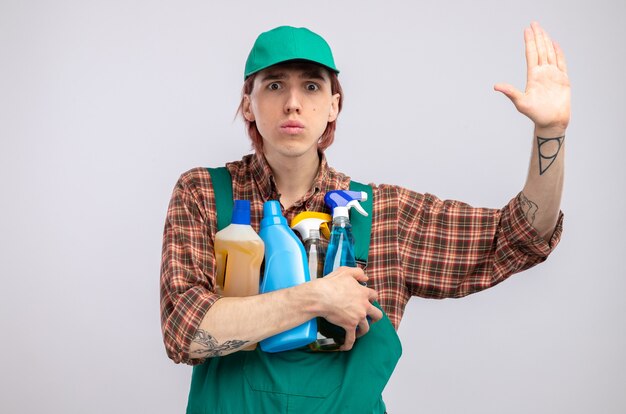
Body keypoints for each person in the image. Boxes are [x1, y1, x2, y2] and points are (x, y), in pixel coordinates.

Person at [160, 23, 569, 412]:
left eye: (312, 85)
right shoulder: (203, 195)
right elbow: (185, 331)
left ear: (333, 106)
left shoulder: (387, 217)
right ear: (248, 103)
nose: (293, 102)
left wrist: (549, 132)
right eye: (274, 84)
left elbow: (522, 234)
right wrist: (318, 298)